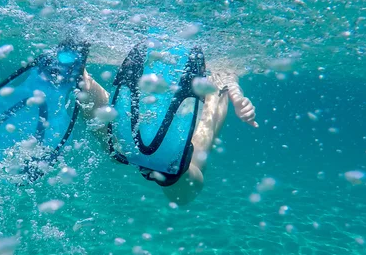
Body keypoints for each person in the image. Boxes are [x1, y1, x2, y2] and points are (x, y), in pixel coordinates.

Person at [77, 57, 258, 205]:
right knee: (183, 193)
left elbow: (224, 75)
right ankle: (170, 169)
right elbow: (223, 75)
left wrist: (236, 94)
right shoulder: (207, 53)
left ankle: (81, 77)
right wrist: (235, 94)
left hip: (141, 119)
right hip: (170, 134)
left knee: (114, 139)